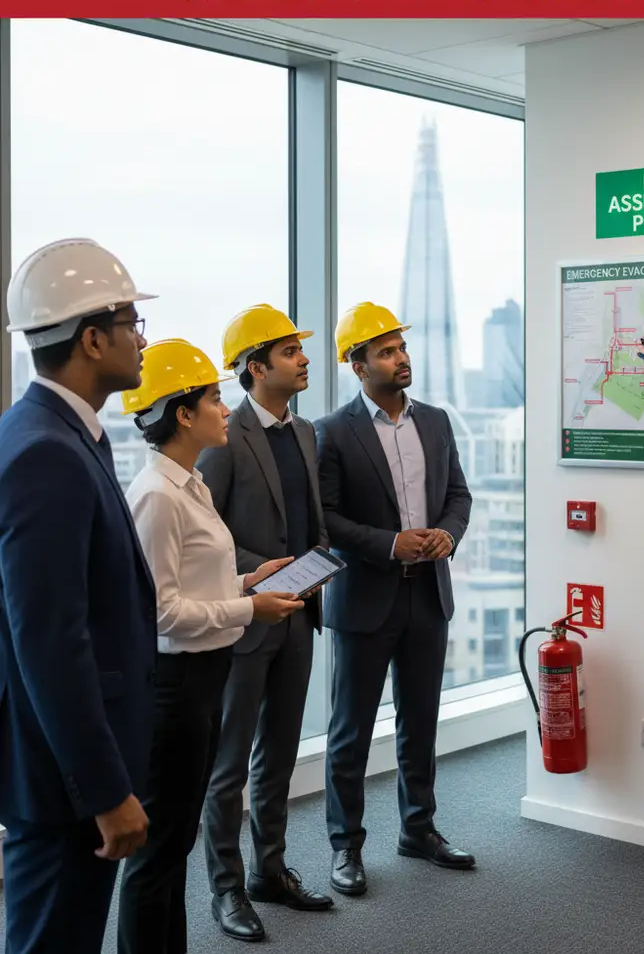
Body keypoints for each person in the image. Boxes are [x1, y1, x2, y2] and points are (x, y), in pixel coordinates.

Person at [115, 339, 306, 954]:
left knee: (174, 845)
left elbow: (193, 581)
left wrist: (246, 579)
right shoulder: (156, 496)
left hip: (203, 677)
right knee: (156, 855)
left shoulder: (189, 485)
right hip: (175, 687)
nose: (226, 408)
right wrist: (250, 606)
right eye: (213, 398)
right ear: (182, 414)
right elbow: (162, 613)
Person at [0, 239, 157, 954]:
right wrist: (103, 790)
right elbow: (50, 643)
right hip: (65, 786)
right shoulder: (46, 451)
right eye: (132, 324)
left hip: (62, 771)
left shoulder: (56, 433)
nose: (142, 340)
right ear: (92, 339)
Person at [315, 301, 474, 899]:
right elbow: (325, 519)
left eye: (401, 348)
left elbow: (458, 494)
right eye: (385, 351)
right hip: (365, 599)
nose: (401, 358)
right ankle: (345, 847)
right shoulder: (332, 431)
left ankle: (418, 829)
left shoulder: (434, 421)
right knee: (350, 731)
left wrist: (446, 535)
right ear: (358, 365)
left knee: (420, 722)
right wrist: (390, 544)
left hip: (428, 596)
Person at [199, 304, 333, 942]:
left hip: (300, 615)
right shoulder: (223, 438)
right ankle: (225, 889)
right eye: (289, 352)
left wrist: (317, 568)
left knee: (278, 753)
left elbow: (310, 523)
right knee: (229, 763)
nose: (304, 359)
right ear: (256, 368)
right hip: (247, 618)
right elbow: (209, 537)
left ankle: (267, 872)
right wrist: (268, 571)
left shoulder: (304, 432)